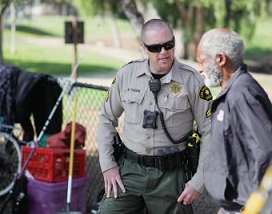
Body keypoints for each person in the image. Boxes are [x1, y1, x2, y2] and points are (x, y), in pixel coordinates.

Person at [97, 18, 211, 214]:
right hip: (129, 172)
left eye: (169, 45)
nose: (164, 52)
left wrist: (198, 181)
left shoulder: (192, 80)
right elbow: (106, 119)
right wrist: (108, 166)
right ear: (143, 47)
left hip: (171, 175)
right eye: (155, 47)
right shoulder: (127, 74)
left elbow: (209, 130)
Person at [196, 28, 272, 214]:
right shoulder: (232, 92)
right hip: (232, 207)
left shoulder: (243, 93)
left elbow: (267, 153)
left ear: (220, 59)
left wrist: (254, 208)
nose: (200, 68)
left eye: (202, 61)